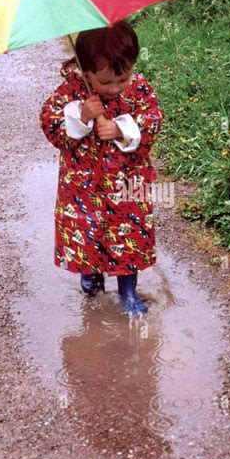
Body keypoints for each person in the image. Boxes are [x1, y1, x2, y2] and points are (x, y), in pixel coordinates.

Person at [39, 20, 164, 314]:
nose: (115, 88)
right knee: (87, 233)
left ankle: (128, 290)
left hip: (126, 186)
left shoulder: (138, 90)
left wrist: (121, 130)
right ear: (85, 70)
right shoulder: (70, 91)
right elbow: (49, 123)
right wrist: (81, 117)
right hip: (83, 188)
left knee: (128, 235)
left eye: (123, 78)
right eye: (104, 82)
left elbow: (153, 118)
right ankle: (90, 273)